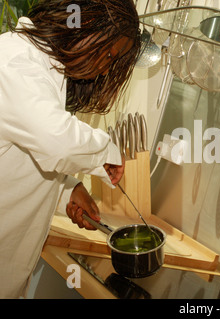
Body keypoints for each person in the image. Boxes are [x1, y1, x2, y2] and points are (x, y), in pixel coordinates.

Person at [0, 0, 141, 298]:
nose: (104, 68)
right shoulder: (14, 61)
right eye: (108, 53)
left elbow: (25, 155)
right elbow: (56, 141)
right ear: (86, 25)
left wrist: (69, 188)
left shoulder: (43, 69)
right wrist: (107, 153)